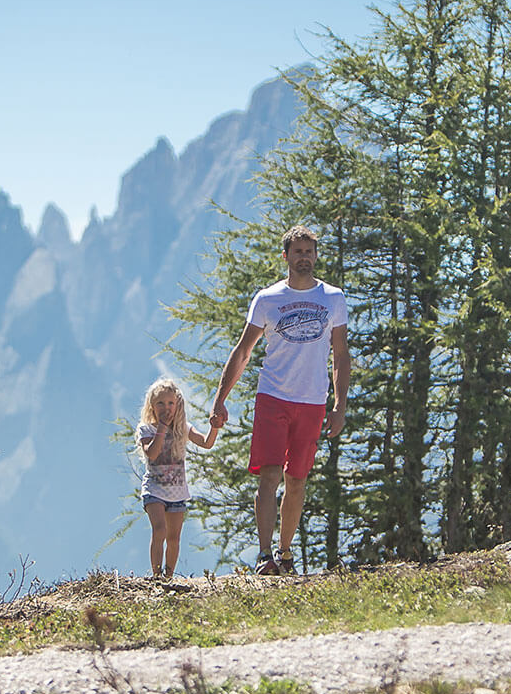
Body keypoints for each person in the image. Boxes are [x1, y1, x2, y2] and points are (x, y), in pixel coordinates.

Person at [209, 225, 351, 575]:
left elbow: (341, 354)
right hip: (273, 396)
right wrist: (220, 399)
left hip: (312, 400)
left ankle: (286, 554)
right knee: (269, 475)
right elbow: (243, 351)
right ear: (285, 255)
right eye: (298, 252)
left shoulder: (333, 298)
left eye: (309, 252)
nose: (304, 258)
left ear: (316, 256)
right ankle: (264, 555)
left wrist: (339, 406)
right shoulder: (267, 299)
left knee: (297, 480)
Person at [134, 377, 217, 579]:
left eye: (171, 403)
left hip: (177, 492)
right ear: (152, 407)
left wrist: (215, 426)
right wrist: (162, 427)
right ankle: (156, 575)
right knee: (160, 530)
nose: (166, 407)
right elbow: (151, 453)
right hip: (154, 490)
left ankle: (168, 577)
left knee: (173, 538)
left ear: (178, 404)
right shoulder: (147, 429)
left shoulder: (184, 428)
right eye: (160, 403)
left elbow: (206, 443)